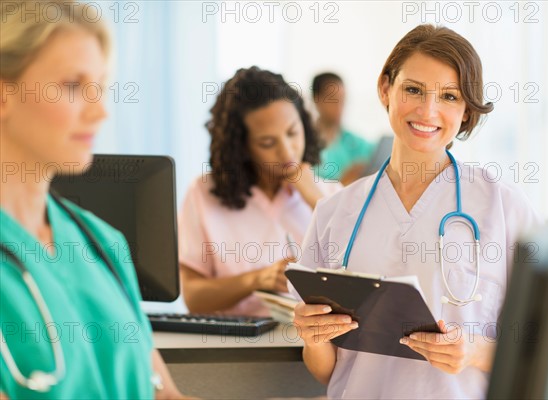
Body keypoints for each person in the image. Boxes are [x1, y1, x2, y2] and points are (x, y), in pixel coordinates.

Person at [292, 25, 542, 399]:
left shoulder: (503, 207)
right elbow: (328, 370)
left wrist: (472, 352)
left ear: (466, 110)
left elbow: (539, 348)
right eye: (413, 89)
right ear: (385, 89)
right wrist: (313, 340)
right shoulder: (334, 212)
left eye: (449, 96)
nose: (428, 111)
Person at [0, 1, 187, 398]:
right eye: (73, 85)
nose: (101, 111)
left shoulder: (102, 243)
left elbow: (163, 394)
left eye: (100, 87)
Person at [179, 66, 339, 316]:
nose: (287, 153)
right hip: (235, 347)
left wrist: (315, 199)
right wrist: (258, 280)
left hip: (312, 349)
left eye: (292, 133)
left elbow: (364, 276)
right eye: (267, 142)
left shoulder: (331, 194)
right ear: (241, 146)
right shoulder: (203, 193)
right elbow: (194, 298)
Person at [312, 72, 375, 185]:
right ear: (316, 99)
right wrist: (344, 182)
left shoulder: (353, 141)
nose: (339, 107)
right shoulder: (303, 144)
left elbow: (380, 157)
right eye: (333, 100)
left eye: (342, 100)